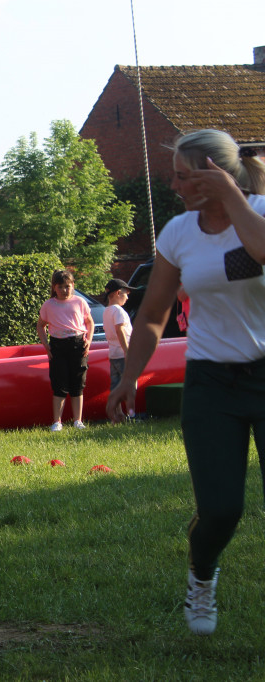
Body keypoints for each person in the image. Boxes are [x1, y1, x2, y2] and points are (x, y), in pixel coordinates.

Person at [107, 129, 265, 636]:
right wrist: (130, 376)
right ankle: (202, 573)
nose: (173, 185)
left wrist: (232, 196)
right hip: (212, 384)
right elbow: (152, 313)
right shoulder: (177, 232)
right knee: (220, 509)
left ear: (213, 173)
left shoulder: (259, 211)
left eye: (182, 175)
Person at [37, 269, 95, 431]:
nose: (64, 290)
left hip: (78, 344)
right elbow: (41, 325)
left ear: (73, 286)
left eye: (67, 286)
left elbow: (89, 322)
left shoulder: (80, 302)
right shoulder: (49, 305)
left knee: (78, 382)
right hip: (58, 345)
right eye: (60, 287)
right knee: (59, 383)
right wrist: (46, 346)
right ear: (54, 287)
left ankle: (78, 420)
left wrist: (88, 341)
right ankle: (57, 421)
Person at [102, 278, 133, 392]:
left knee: (115, 385)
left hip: (113, 354)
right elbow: (120, 330)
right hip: (123, 354)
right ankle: (131, 409)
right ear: (118, 293)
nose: (127, 298)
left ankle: (115, 410)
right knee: (130, 384)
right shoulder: (119, 311)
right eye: (126, 294)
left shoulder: (106, 311)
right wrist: (127, 350)